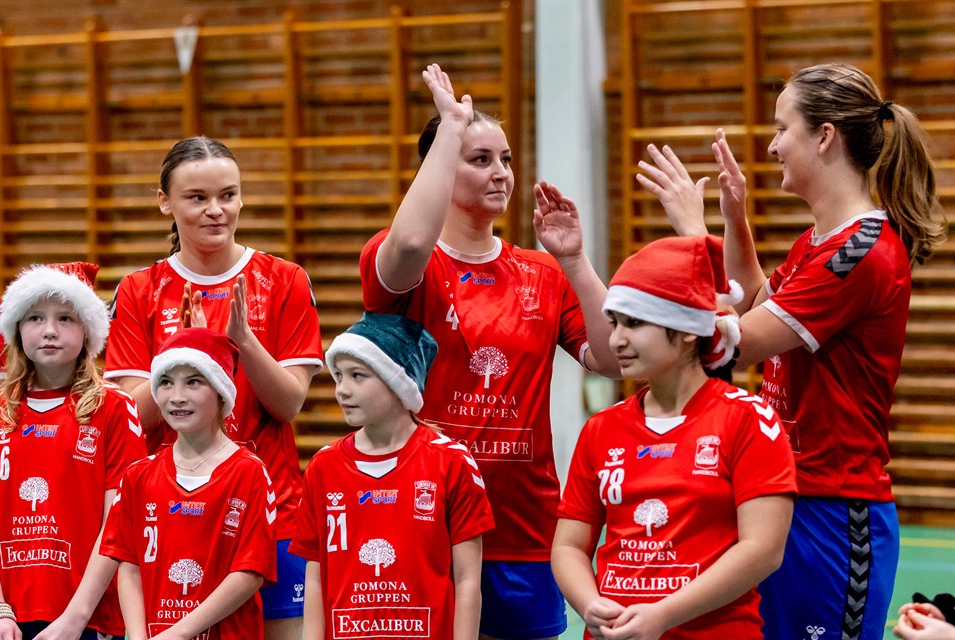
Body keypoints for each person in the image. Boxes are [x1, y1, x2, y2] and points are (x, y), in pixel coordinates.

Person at [637, 62, 946, 640]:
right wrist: (732, 220)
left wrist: (690, 239)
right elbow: (757, 302)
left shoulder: (861, 251)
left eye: (782, 129)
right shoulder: (819, 242)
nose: (773, 146)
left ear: (824, 136)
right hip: (785, 492)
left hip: (835, 510)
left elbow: (739, 341)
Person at [358, 63, 620, 639]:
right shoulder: (403, 261)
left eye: (505, 158)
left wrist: (575, 261)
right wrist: (451, 126)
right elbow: (410, 239)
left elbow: (614, 360)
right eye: (480, 159)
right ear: (437, 168)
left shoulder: (542, 273)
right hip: (423, 519)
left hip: (521, 528)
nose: (500, 172)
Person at [103, 136, 324, 638]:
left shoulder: (284, 279)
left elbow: (289, 404)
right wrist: (186, 350)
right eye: (197, 198)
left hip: (272, 514)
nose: (216, 210)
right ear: (166, 202)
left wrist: (242, 341)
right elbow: (133, 418)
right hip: (170, 516)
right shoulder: (139, 290)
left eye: (228, 195)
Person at [552, 235, 797, 639]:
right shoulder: (601, 429)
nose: (616, 339)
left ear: (686, 330)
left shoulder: (748, 420)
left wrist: (663, 615)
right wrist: (589, 603)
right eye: (615, 322)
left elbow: (764, 550)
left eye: (635, 323)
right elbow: (568, 546)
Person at [290, 311, 495, 639]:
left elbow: (468, 580)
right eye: (339, 376)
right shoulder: (323, 467)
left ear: (398, 382)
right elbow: (314, 577)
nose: (342, 390)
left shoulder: (451, 462)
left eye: (357, 376)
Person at [0, 262, 146, 640]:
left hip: (88, 617)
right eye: (35, 318)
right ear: (16, 329)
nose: (49, 330)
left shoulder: (115, 407)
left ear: (88, 330)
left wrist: (76, 617)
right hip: (5, 617)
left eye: (65, 318)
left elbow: (119, 523)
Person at [100, 327, 277, 639]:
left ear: (221, 391)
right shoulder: (138, 475)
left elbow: (250, 572)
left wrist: (179, 633)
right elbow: (129, 565)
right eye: (166, 382)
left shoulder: (249, 472)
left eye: (193, 382)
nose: (177, 397)